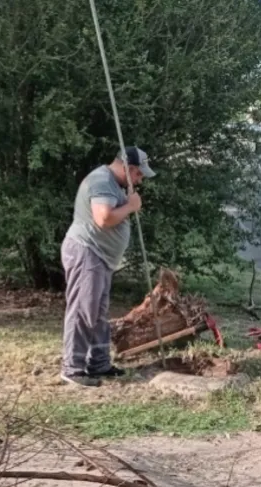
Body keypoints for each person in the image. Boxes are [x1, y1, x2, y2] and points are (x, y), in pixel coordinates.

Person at [60, 146, 156, 387]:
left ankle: (99, 363)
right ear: (128, 168)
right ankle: (72, 368)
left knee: (97, 311)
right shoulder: (102, 181)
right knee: (83, 310)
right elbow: (103, 218)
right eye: (139, 174)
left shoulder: (114, 183)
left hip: (100, 256)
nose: (140, 180)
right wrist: (131, 206)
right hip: (87, 252)